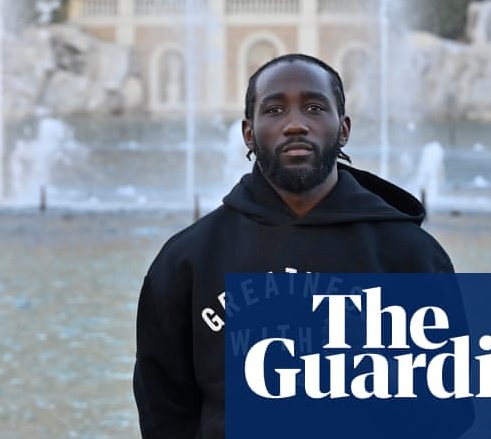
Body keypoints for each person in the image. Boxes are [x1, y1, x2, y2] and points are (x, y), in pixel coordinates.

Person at [132, 54, 460, 438]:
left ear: (343, 129)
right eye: (274, 110)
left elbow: (445, 408)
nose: (295, 124)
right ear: (248, 134)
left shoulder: (410, 255)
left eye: (315, 107)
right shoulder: (187, 260)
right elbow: (163, 410)